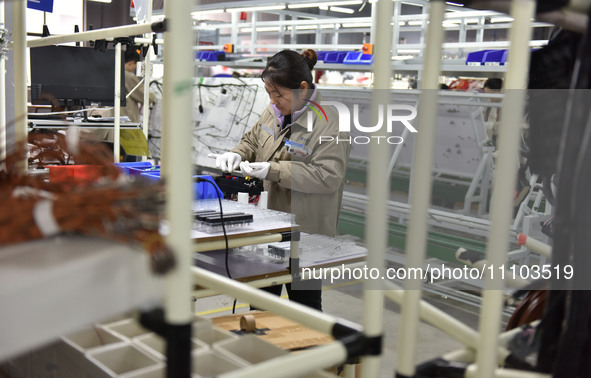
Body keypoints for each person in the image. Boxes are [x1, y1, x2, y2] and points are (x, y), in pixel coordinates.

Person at [211, 49, 351, 311]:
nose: (273, 101)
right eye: (269, 94)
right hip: (267, 229)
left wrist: (273, 170)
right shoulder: (273, 110)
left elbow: (328, 176)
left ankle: (310, 352)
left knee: (305, 306)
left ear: (302, 88)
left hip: (305, 233)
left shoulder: (329, 123)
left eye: (279, 94)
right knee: (261, 303)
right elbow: (252, 140)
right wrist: (235, 154)